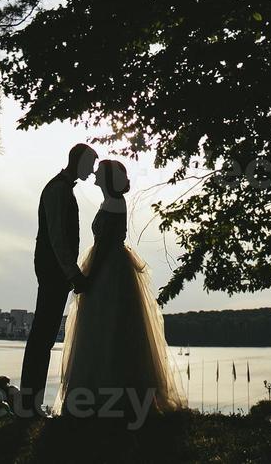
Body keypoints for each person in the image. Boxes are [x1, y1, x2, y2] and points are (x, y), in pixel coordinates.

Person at [53, 159, 187, 419]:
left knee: (106, 326)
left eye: (99, 173)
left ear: (107, 178)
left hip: (109, 269)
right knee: (105, 327)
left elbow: (103, 245)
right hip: (110, 264)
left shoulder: (113, 204)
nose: (95, 175)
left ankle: (104, 394)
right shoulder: (110, 202)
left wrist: (88, 275)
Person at [18, 142, 97, 417]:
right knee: (42, 335)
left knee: (45, 335)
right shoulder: (57, 190)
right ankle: (28, 403)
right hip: (53, 271)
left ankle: (30, 402)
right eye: (90, 164)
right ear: (79, 161)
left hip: (56, 271)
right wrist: (72, 273)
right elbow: (56, 236)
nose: (92, 170)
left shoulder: (63, 188)